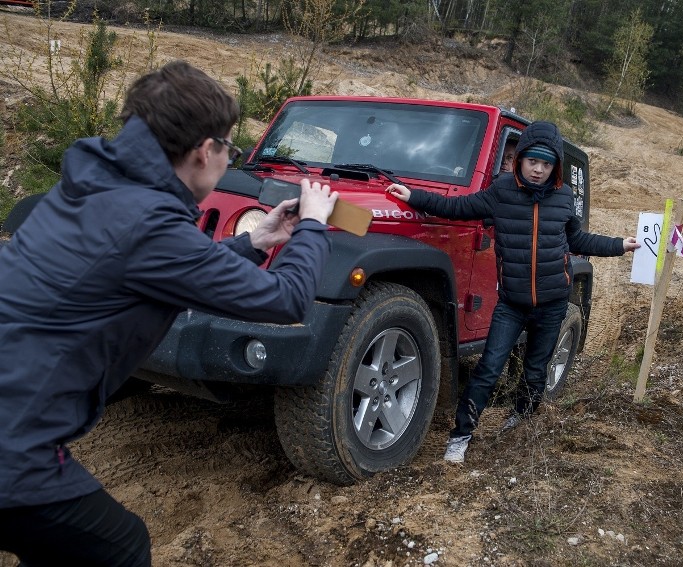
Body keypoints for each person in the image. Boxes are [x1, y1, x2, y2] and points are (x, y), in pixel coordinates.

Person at [0, 60, 338, 566]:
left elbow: (159, 267)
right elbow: (285, 299)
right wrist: (314, 226)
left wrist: (256, 240)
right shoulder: (151, 224)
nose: (229, 160)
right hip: (12, 444)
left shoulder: (97, 189)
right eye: (231, 149)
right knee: (119, 548)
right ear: (206, 151)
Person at [386, 121, 640, 464]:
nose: (538, 169)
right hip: (512, 304)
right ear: (520, 159)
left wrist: (619, 245)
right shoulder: (502, 190)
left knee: (536, 370)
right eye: (532, 161)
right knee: (488, 368)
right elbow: (459, 208)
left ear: (556, 167)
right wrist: (415, 196)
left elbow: (576, 240)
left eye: (546, 163)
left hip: (552, 304)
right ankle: (461, 435)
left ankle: (520, 420)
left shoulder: (564, 196)